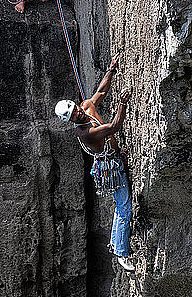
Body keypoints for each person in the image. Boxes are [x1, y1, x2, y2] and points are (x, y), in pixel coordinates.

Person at [54, 56, 135, 271]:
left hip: (115, 158)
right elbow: (113, 127)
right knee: (124, 207)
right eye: (73, 115)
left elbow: (101, 92)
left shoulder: (87, 107)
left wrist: (111, 69)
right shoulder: (85, 133)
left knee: (124, 205)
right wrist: (123, 103)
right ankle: (121, 251)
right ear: (70, 120)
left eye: (76, 109)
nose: (78, 113)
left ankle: (120, 247)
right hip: (110, 168)